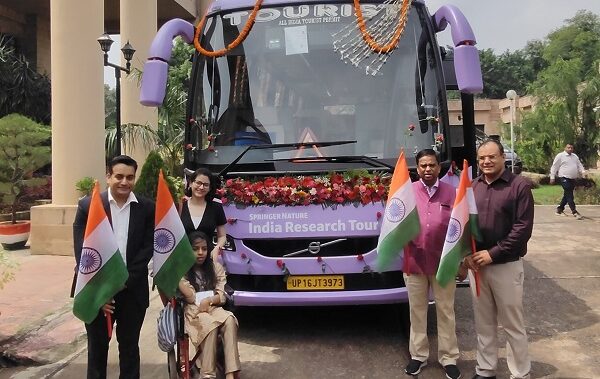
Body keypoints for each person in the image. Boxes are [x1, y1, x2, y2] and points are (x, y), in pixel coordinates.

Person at [73, 155, 155, 379]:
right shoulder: (88, 206)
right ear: (108, 176)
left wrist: (119, 284)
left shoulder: (147, 208)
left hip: (132, 291)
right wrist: (102, 290)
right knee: (97, 351)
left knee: (129, 349)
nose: (124, 182)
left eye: (130, 177)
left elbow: (147, 249)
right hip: (96, 292)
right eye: (119, 176)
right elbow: (83, 253)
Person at [464, 139, 534, 379]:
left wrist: (492, 253)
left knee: (512, 324)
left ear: (503, 157)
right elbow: (464, 226)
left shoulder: (519, 186)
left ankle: (520, 372)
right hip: (478, 267)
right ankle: (485, 369)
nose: (486, 162)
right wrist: (467, 257)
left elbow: (522, 229)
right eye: (482, 158)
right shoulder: (472, 187)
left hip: (505, 265)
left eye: (492, 157)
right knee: (484, 323)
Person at [403, 149, 461, 379]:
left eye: (432, 165)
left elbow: (460, 228)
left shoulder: (452, 193)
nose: (427, 169)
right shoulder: (406, 193)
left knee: (446, 311)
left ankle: (449, 358)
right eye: (423, 166)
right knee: (417, 312)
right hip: (414, 263)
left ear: (439, 167)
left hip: (443, 263)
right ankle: (418, 356)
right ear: (417, 169)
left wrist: (461, 262)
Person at [178, 231, 241, 379]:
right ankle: (207, 374)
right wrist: (177, 275)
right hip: (194, 311)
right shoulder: (183, 270)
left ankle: (230, 373)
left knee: (230, 319)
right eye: (195, 249)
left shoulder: (215, 267)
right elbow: (191, 296)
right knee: (210, 324)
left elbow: (222, 296)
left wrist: (210, 300)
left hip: (213, 307)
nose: (200, 253)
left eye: (204, 249)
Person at [181, 168, 227, 261]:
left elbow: (222, 236)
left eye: (206, 185)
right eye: (198, 183)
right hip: (183, 261)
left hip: (207, 259)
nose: (201, 187)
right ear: (190, 183)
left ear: (210, 188)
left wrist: (217, 248)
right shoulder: (180, 207)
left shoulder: (216, 207)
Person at [550, 143, 586, 220]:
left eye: (571, 148)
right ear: (565, 148)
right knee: (569, 194)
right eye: (568, 147)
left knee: (567, 194)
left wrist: (583, 172)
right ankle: (574, 212)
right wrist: (552, 177)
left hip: (572, 179)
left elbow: (579, 165)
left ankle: (559, 210)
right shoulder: (560, 156)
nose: (570, 149)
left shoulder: (574, 156)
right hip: (564, 178)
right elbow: (554, 166)